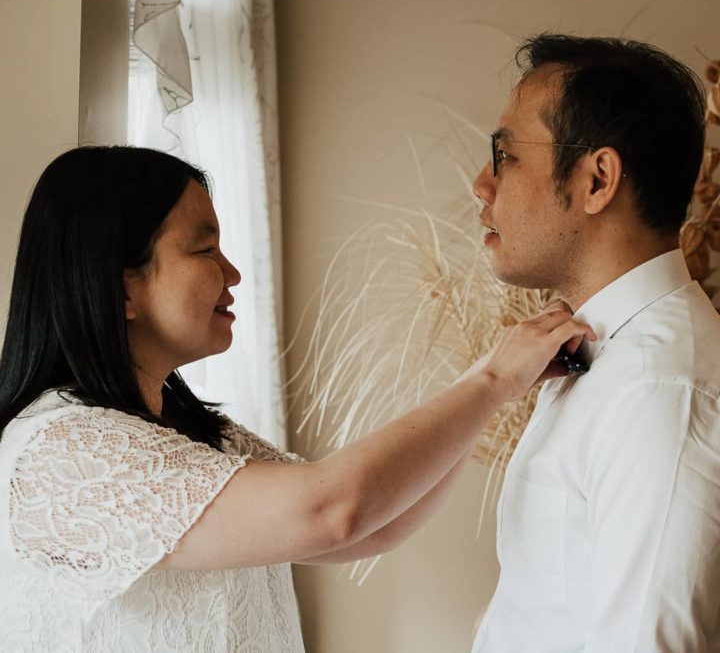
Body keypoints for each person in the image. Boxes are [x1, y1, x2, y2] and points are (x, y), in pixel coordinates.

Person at [0, 145, 594, 652]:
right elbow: (332, 510)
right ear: (118, 286)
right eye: (205, 251)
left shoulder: (197, 436)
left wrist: (493, 396)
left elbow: (369, 528)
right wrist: (491, 381)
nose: (232, 273)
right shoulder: (60, 452)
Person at [469, 34, 720, 652]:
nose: (482, 184)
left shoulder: (666, 392)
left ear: (597, 180)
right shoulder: (606, 353)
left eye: (504, 155)